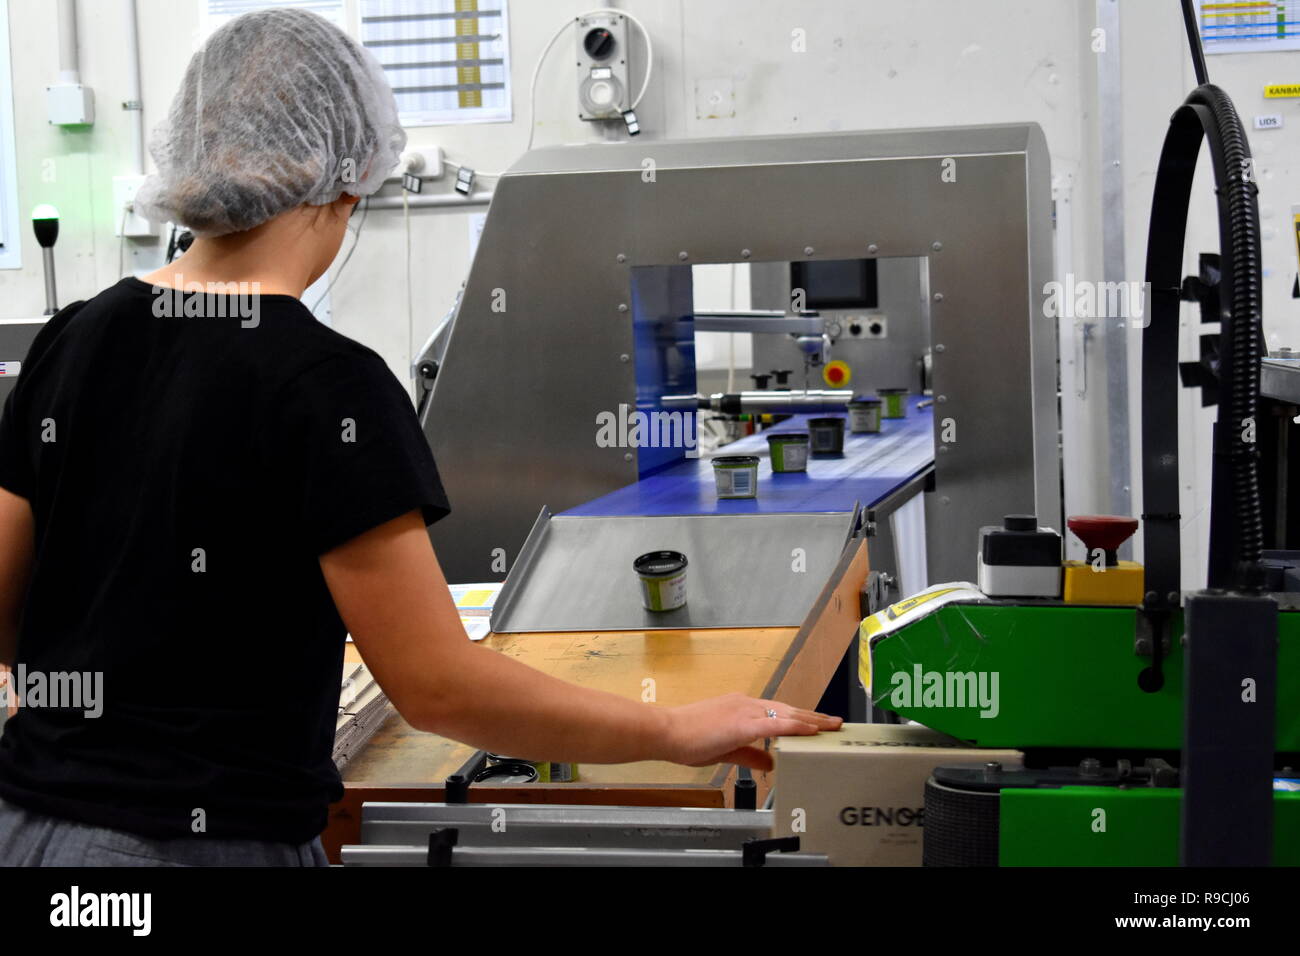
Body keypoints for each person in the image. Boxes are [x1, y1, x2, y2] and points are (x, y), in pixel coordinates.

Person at [0, 8, 839, 867]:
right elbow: (438, 686)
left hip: (28, 831)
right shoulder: (325, 382)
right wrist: (673, 725)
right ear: (349, 178)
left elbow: (5, 617)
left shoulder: (72, 338)